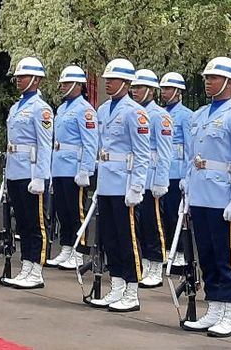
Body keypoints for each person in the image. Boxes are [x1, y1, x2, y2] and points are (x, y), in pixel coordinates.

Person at [180, 57, 231, 338]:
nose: (208, 82)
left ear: (229, 82)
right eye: (207, 77)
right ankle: (213, 307)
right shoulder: (199, 115)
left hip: (223, 196)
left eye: (213, 78)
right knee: (207, 255)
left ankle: (229, 314)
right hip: (201, 194)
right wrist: (188, 187)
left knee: (227, 257)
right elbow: (193, 156)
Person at [89, 58, 151, 312]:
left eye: (113, 80)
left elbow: (142, 152)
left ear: (126, 83)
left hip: (125, 184)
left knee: (128, 238)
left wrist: (136, 186)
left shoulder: (135, 112)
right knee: (110, 239)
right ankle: (116, 285)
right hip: (107, 182)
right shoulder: (103, 110)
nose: (108, 83)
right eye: (107, 80)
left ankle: (132, 290)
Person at [1, 57, 54, 289]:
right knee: (22, 223)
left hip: (31, 172)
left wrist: (41, 176)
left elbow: (45, 144)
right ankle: (26, 265)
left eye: (23, 77)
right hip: (16, 170)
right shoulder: (16, 107)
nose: (18, 80)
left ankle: (36, 269)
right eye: (18, 77)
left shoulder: (41, 109)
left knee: (36, 224)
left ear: (36, 80)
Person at [47, 65, 97, 271]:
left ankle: (79, 249)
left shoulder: (85, 110)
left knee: (77, 212)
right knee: (62, 211)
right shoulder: (62, 108)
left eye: (66, 83)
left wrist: (85, 169)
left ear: (78, 85)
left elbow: (90, 142)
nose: (62, 86)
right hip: (60, 167)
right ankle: (67, 247)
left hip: (74, 169)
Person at [128, 69, 173, 289]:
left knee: (153, 223)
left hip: (152, 175)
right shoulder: (132, 112)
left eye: (139, 87)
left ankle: (155, 263)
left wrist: (161, 180)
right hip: (134, 176)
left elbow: (165, 152)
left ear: (151, 90)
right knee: (137, 224)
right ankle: (143, 260)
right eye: (133, 87)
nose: (134, 91)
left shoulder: (160, 116)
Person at [158, 72, 193, 268]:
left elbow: (190, 148)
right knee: (161, 214)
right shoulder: (161, 113)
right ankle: (166, 248)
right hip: (162, 171)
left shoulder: (186, 115)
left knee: (174, 214)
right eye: (163, 88)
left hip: (177, 171)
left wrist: (187, 175)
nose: (164, 92)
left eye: (168, 89)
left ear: (178, 91)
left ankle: (179, 251)